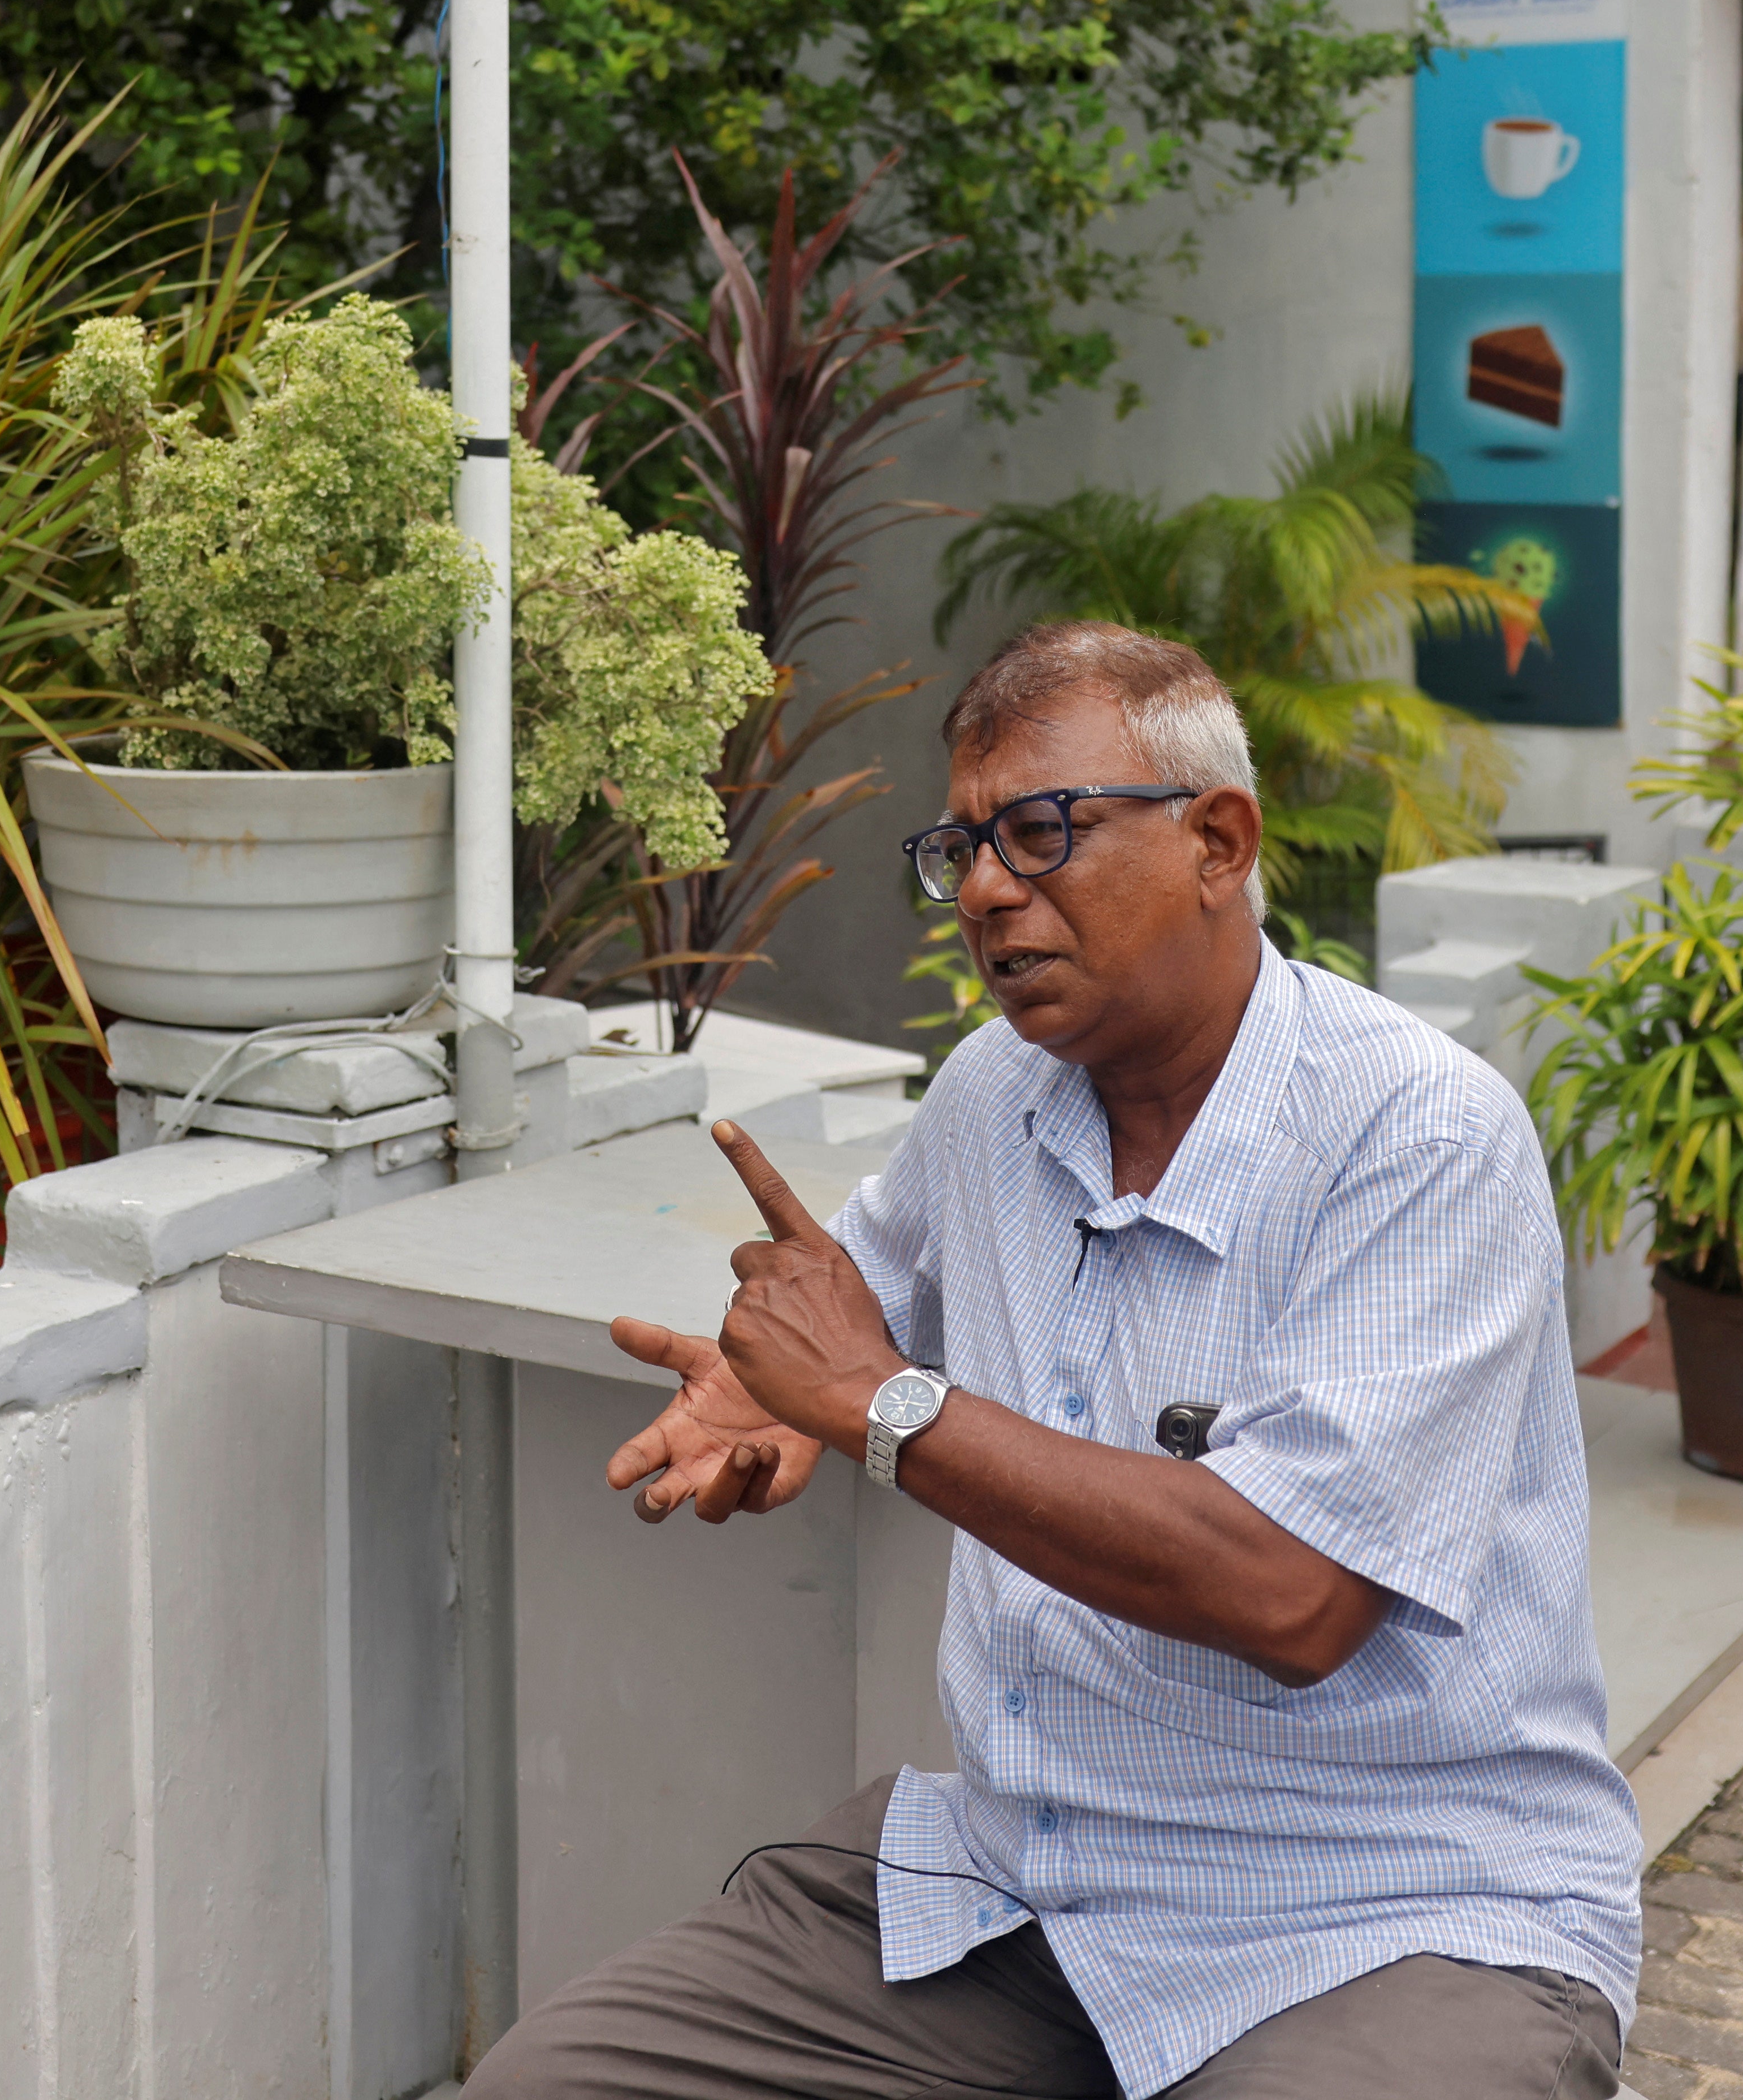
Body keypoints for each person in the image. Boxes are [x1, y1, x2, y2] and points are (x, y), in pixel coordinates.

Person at [473, 620, 1640, 2100]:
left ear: (1218, 839)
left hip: (1387, 1913)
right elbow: (850, 1319)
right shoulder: (992, 1098)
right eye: (958, 846)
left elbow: (1290, 1591)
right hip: (1026, 1880)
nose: (980, 890)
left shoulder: (1414, 1136)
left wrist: (877, 1403)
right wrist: (769, 1396)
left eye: (1040, 832)